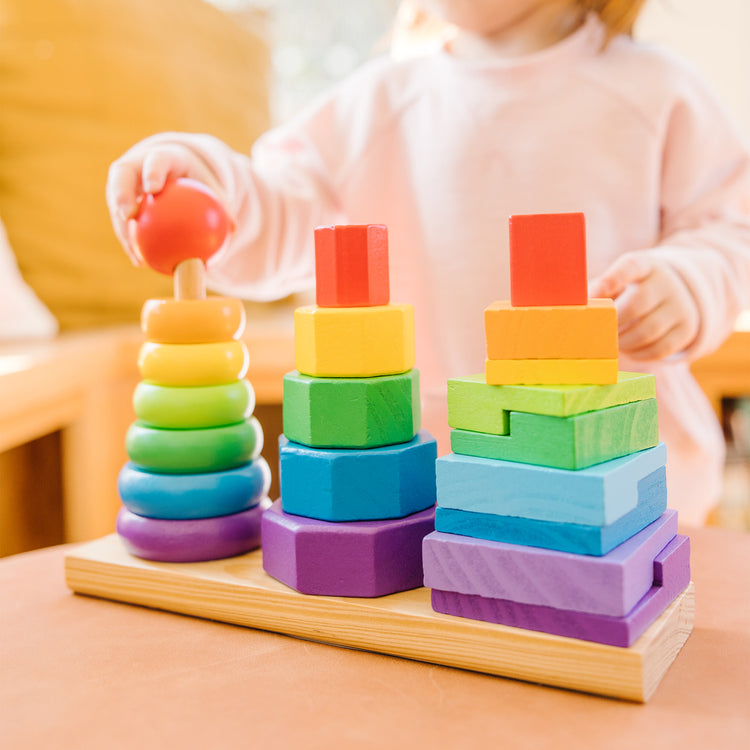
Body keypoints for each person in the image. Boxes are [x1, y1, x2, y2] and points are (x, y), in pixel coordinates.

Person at [106, 0, 750, 525]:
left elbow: (730, 228)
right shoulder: (377, 102)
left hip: (626, 488)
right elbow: (279, 211)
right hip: (425, 494)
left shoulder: (659, 90)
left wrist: (690, 284)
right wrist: (209, 184)